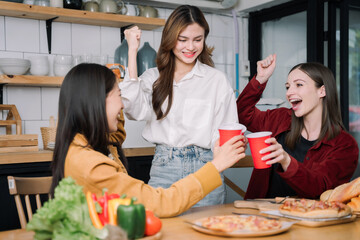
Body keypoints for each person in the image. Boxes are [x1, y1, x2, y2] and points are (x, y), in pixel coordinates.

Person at [50, 63, 246, 218]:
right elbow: (161, 203)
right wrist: (216, 165)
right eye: (119, 95)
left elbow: (115, 135)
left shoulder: (80, 145)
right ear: (96, 102)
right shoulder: (93, 166)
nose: (122, 105)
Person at [120, 5, 239, 207]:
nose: (190, 47)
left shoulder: (217, 80)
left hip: (206, 168)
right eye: (182, 40)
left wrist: (222, 157)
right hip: (165, 168)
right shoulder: (153, 77)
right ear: (170, 39)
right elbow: (134, 110)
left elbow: (226, 130)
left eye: (197, 40)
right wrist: (132, 50)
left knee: (209, 233)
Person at [237, 54, 359, 199]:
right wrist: (260, 79)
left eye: (299, 85)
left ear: (322, 91)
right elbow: (242, 114)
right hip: (260, 216)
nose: (289, 93)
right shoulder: (281, 118)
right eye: (287, 87)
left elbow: (320, 188)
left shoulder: (345, 145)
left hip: (309, 218)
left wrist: (286, 160)